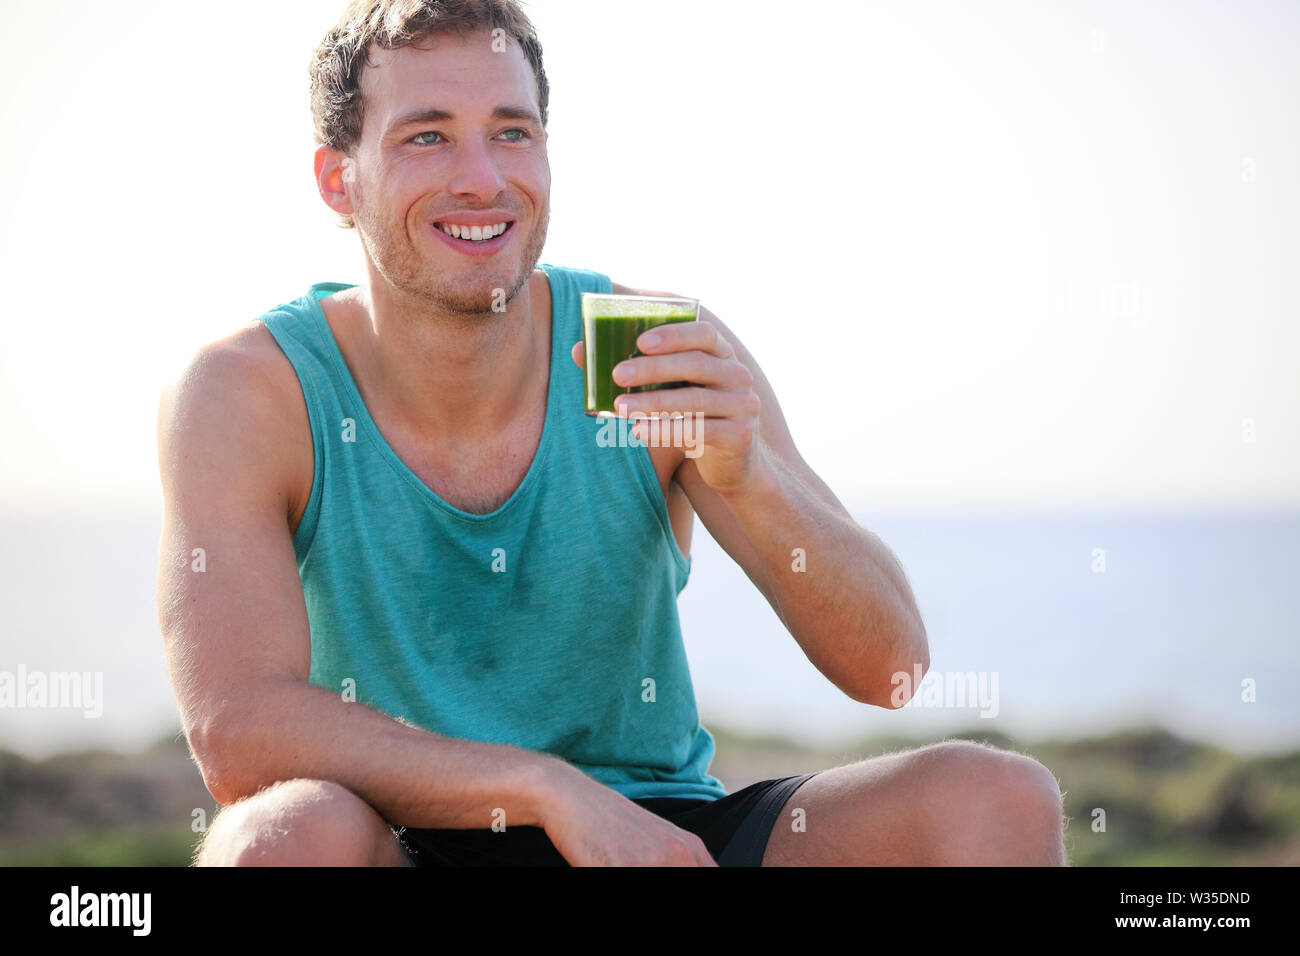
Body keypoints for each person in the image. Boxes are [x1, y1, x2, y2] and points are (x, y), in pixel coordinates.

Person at [155, 0, 1066, 866]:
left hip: (657, 833)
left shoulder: (647, 346)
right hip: (395, 834)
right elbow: (236, 731)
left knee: (999, 798)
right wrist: (543, 788)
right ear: (337, 179)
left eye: (513, 131)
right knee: (277, 838)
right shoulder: (251, 392)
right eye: (427, 135)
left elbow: (892, 670)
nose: (483, 177)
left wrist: (750, 481)